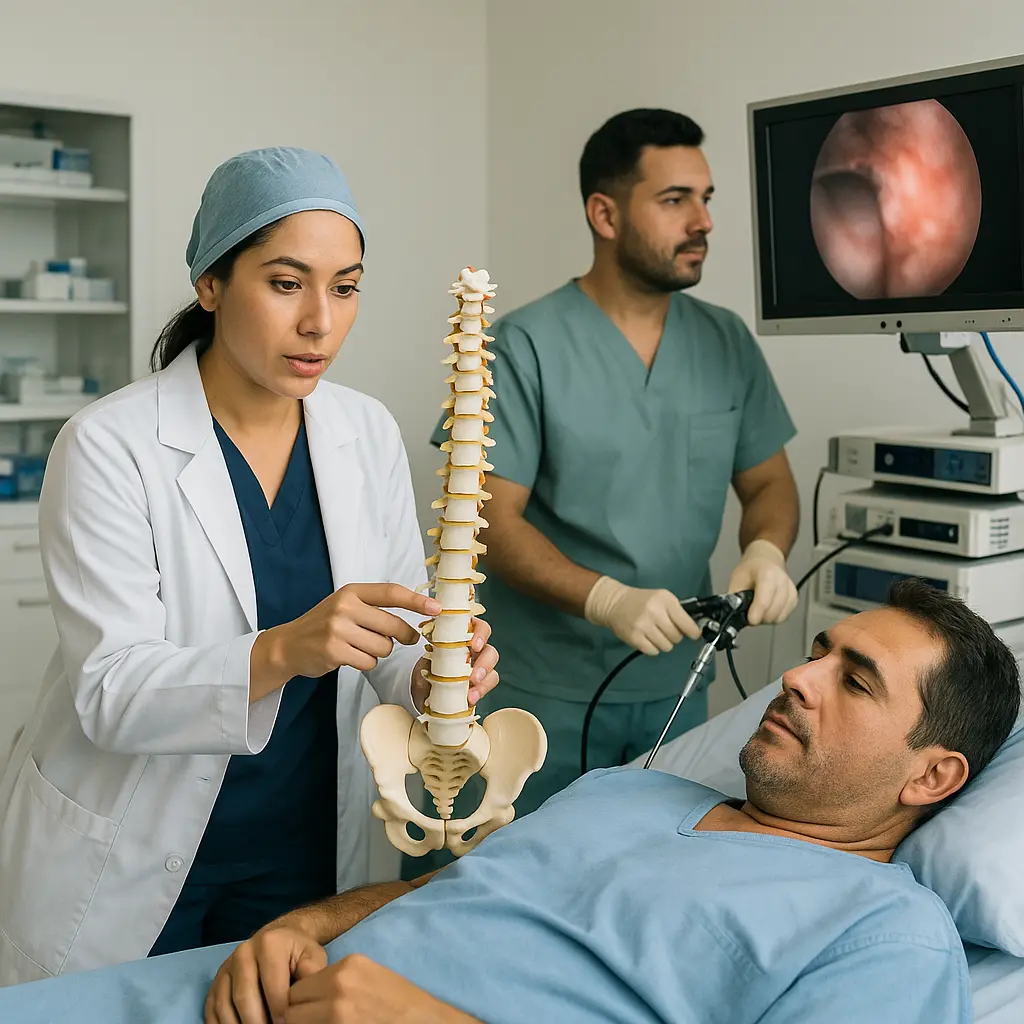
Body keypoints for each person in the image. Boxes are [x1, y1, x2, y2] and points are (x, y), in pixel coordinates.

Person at [0, 147, 501, 986]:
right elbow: (109, 691)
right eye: (284, 282)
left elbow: (396, 628)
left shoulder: (365, 431)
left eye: (344, 287)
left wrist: (429, 676)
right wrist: (284, 649)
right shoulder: (109, 446)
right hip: (133, 848)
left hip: (303, 847)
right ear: (210, 284)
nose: (320, 322)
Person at [190, 579, 1016, 1024]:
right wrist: (299, 927)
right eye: (818, 654)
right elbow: (432, 894)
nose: (797, 677)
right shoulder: (626, 790)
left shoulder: (882, 936)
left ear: (932, 777)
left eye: (856, 682)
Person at [427, 108, 800, 824]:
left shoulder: (724, 342)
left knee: (646, 887)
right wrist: (606, 597)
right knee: (494, 890)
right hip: (534, 697)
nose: (703, 221)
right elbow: (484, 523)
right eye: (674, 200)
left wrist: (765, 547)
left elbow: (769, 482)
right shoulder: (524, 346)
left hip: (677, 691)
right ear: (604, 212)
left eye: (706, 199)